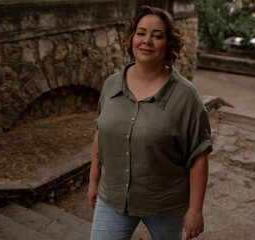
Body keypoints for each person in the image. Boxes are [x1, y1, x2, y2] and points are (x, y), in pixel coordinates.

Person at [88, 5, 213, 240]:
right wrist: (93, 180)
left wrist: (195, 209)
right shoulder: (111, 85)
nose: (147, 41)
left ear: (168, 44)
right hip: (112, 198)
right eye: (141, 33)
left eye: (157, 36)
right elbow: (101, 134)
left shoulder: (187, 96)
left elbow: (199, 155)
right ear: (132, 37)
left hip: (166, 205)